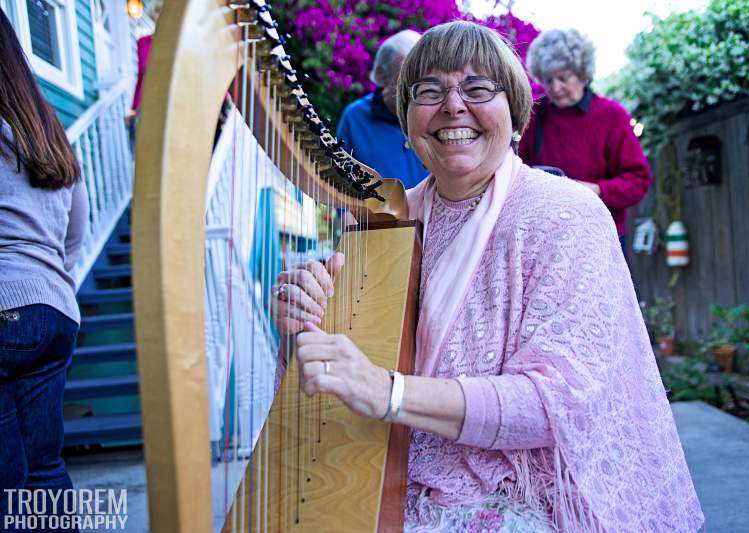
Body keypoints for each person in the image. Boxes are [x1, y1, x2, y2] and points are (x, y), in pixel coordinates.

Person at [273, 21, 704, 532]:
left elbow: (556, 403)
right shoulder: (386, 226)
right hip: (396, 471)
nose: (453, 106)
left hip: (529, 489)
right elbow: (335, 386)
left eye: (477, 88)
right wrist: (301, 326)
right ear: (408, 122)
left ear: (516, 114)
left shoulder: (567, 216)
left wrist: (389, 392)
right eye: (428, 91)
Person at [0, 10, 88, 530]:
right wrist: (48, 287)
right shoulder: (45, 129)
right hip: (55, 311)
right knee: (46, 467)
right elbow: (75, 231)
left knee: (8, 483)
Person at [519, 29, 652, 251]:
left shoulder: (612, 115)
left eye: (563, 78)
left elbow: (638, 180)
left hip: (601, 235)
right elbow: (519, 171)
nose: (555, 88)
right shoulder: (535, 116)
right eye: (548, 79)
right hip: (548, 237)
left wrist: (596, 190)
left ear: (582, 73)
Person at [336, 30, 428, 189]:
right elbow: (340, 183)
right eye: (405, 78)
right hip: (371, 214)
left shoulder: (436, 115)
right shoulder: (355, 118)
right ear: (382, 76)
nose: (416, 89)